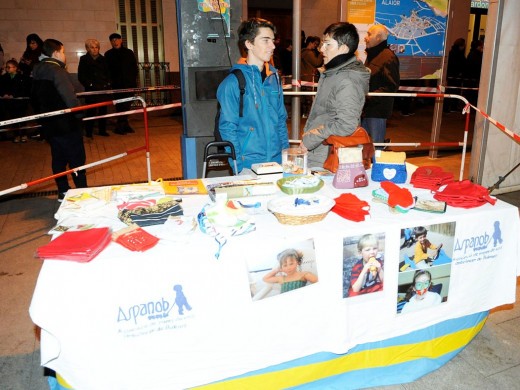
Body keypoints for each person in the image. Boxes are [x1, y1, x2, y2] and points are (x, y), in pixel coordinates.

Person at [216, 17, 289, 174]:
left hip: (277, 161)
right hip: (249, 164)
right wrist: (239, 165)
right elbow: (228, 127)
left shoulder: (274, 78)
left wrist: (285, 154)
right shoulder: (233, 82)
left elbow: (281, 119)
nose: (273, 46)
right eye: (265, 40)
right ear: (249, 44)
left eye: (273, 41)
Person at [299, 22, 370, 168]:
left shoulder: (348, 80)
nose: (321, 49)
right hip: (321, 152)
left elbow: (346, 124)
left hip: (329, 157)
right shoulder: (333, 73)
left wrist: (311, 138)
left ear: (343, 48)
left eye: (327, 45)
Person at [31, 39, 87, 201]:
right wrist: (79, 115)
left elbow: (34, 98)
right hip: (66, 124)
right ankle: (82, 191)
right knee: (76, 158)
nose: (64, 55)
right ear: (56, 53)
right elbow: (69, 98)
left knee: (58, 158)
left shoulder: (37, 70)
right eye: (62, 52)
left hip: (49, 124)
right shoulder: (58, 72)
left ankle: (63, 191)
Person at [361, 24, 400, 145]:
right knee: (360, 145)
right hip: (367, 109)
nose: (365, 38)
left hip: (377, 111)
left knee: (376, 147)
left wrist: (369, 97)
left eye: (369, 34)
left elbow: (391, 86)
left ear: (378, 38)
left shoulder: (388, 57)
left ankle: (377, 163)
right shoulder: (372, 56)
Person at [104, 33, 138, 135]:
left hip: (129, 85)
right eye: (112, 40)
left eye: (116, 39)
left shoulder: (129, 52)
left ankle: (124, 125)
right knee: (120, 106)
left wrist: (132, 82)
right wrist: (110, 83)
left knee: (127, 106)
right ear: (111, 42)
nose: (115, 42)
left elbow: (134, 68)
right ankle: (120, 126)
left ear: (121, 40)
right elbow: (107, 71)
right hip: (116, 86)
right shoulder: (108, 54)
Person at [78, 38, 111, 138]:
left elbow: (108, 73)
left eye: (96, 47)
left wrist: (108, 84)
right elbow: (81, 76)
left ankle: (102, 130)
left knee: (103, 111)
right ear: (87, 49)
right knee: (91, 112)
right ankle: (89, 132)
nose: (95, 49)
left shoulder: (103, 59)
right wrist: (90, 84)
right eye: (92, 47)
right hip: (91, 90)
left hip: (102, 89)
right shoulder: (84, 59)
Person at [0, 59, 31, 143]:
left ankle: (24, 134)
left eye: (9, 67)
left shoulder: (22, 78)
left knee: (22, 119)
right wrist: (4, 94)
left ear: (15, 68)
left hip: (20, 103)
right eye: (7, 67)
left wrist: (14, 95)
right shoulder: (4, 78)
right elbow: (2, 88)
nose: (7, 69)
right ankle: (16, 135)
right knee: (13, 119)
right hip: (10, 103)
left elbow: (24, 90)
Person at [300, 36, 323, 117]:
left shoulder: (301, 52)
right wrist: (321, 54)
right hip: (309, 77)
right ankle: (309, 114)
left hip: (303, 76)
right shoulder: (309, 53)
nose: (316, 46)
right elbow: (316, 63)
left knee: (304, 97)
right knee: (310, 97)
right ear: (310, 43)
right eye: (315, 44)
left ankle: (304, 113)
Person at [445, 38, 466, 112]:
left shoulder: (452, 52)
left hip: (451, 75)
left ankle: (447, 107)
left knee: (450, 91)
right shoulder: (458, 54)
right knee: (454, 92)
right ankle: (451, 107)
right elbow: (460, 64)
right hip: (455, 76)